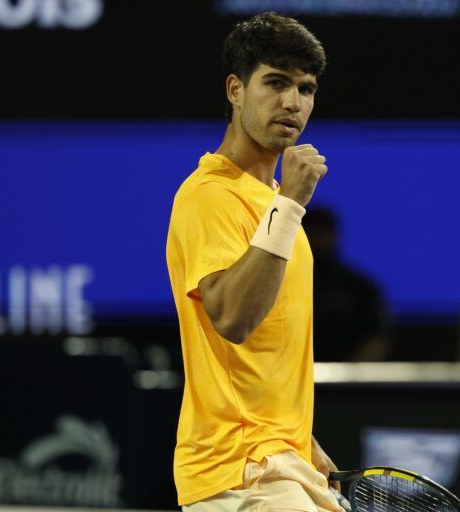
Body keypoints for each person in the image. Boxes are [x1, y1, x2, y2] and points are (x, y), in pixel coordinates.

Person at [165, 12, 346, 512]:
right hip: (243, 472)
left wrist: (300, 440)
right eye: (276, 83)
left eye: (306, 89)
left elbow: (265, 356)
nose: (293, 102)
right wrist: (289, 203)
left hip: (277, 463)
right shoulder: (209, 195)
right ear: (235, 90)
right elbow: (233, 319)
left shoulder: (269, 204)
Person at [302, 207, 391, 361]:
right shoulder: (281, 284)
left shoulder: (361, 288)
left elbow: (377, 338)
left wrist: (352, 375)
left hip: (349, 380)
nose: (318, 239)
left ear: (335, 235)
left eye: (323, 232)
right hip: (292, 376)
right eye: (313, 231)